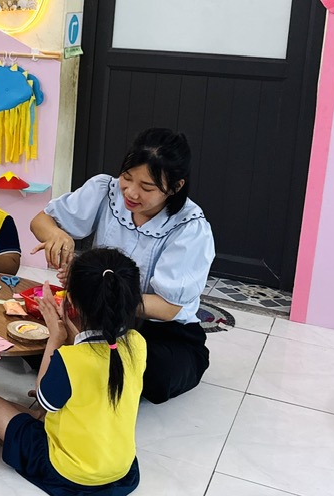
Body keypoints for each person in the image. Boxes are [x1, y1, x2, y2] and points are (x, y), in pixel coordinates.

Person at [30, 127, 214, 403]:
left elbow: (168, 308)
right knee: (33, 332)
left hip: (161, 331)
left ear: (176, 187)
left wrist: (95, 289)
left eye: (147, 187)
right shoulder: (106, 190)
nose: (131, 192)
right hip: (101, 317)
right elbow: (40, 221)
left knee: (158, 374)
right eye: (127, 177)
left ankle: (82, 365)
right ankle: (88, 365)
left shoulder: (190, 228)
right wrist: (57, 235)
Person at [0, 249, 145, 494]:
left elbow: (43, 399)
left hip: (69, 474)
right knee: (7, 426)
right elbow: (94, 357)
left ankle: (23, 438)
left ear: (71, 302)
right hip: (121, 470)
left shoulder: (70, 359)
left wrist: (55, 336)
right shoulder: (138, 343)